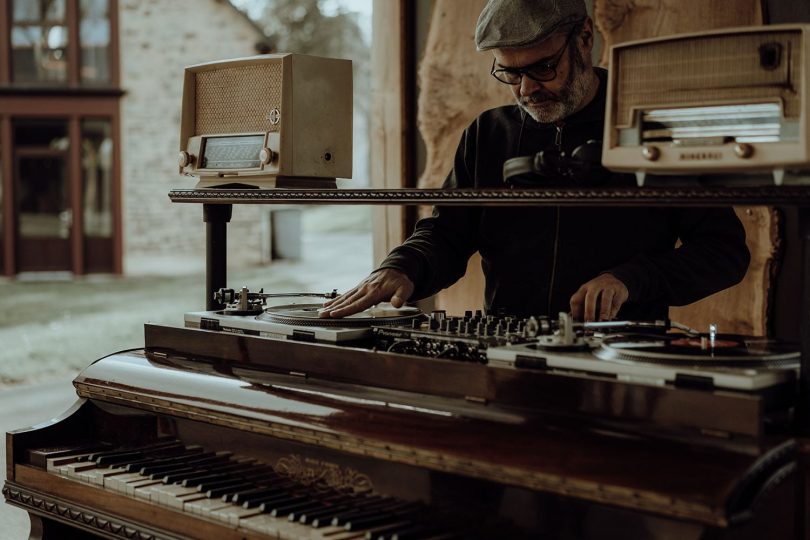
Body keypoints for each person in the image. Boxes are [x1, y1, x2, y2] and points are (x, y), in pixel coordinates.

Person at [320, 0, 750, 322]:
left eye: (543, 67)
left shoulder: (652, 128)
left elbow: (723, 252)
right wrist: (404, 266)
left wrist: (632, 279)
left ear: (584, 38)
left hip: (623, 355)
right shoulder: (488, 134)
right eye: (509, 72)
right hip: (508, 349)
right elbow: (448, 234)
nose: (526, 89)